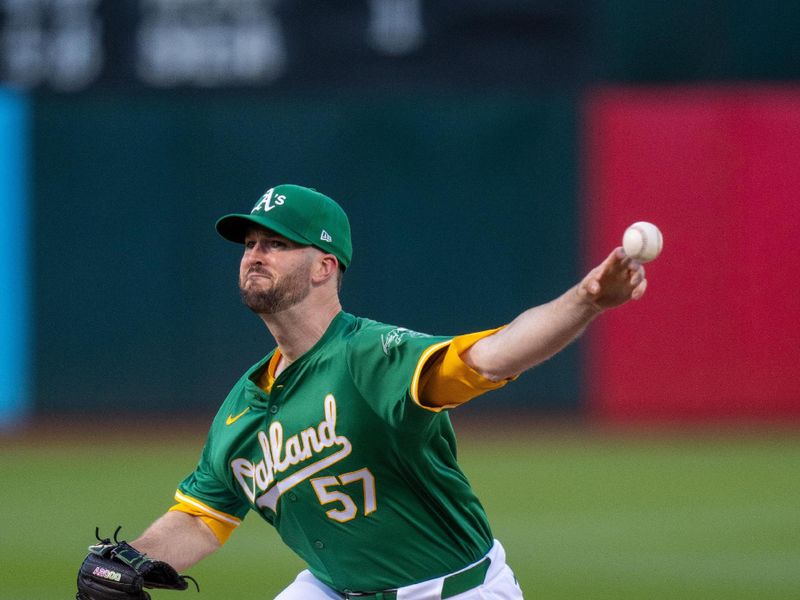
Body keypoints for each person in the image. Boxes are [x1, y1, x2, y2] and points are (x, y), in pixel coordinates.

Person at [82, 184, 648, 600]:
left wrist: (588, 299)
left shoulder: (371, 356)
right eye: (249, 242)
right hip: (331, 589)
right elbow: (203, 516)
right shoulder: (242, 406)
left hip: (449, 592)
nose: (254, 253)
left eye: (276, 243)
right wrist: (136, 558)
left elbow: (491, 356)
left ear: (325, 266)